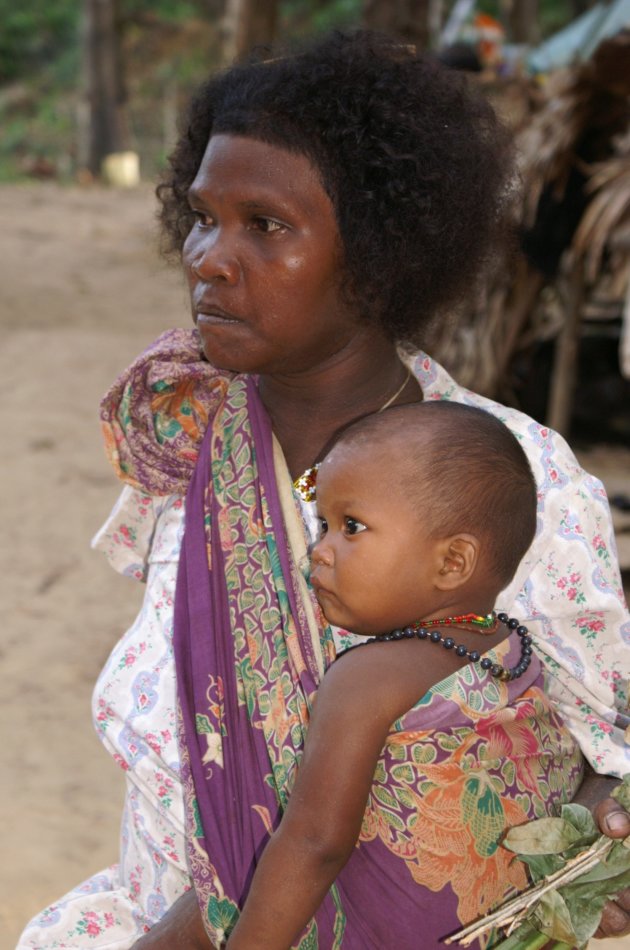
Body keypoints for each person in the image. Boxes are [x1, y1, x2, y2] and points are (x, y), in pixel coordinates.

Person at [17, 30, 630, 950]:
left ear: (381, 253)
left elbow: (606, 754)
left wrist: (590, 833)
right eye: (202, 216)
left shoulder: (513, 481)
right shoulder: (196, 446)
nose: (209, 258)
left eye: (265, 225)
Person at [223, 399, 584, 949]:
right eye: (324, 524)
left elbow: (314, 841)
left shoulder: (367, 679)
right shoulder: (518, 656)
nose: (320, 551)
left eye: (352, 526)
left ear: (452, 562)